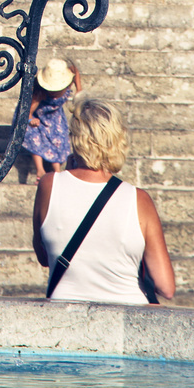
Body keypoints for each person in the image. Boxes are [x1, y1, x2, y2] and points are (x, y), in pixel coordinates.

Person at [33, 96, 175, 305]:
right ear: (116, 140)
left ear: (75, 138)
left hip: (65, 314)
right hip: (128, 315)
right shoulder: (139, 199)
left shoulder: (49, 185)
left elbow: (44, 257)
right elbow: (166, 287)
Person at [25, 57, 82, 179]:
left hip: (55, 117)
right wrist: (31, 120)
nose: (54, 92)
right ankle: (40, 170)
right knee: (34, 135)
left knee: (59, 137)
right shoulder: (40, 94)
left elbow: (75, 70)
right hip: (39, 117)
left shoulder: (68, 84)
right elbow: (28, 113)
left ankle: (57, 170)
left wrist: (79, 88)